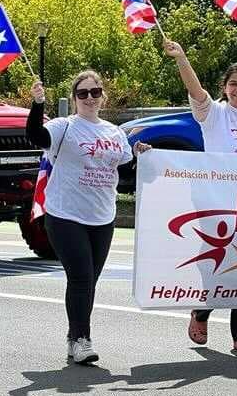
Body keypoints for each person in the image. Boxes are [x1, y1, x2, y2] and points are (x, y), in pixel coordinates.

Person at [163, 38, 237, 352]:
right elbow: (195, 92)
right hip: (220, 206)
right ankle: (202, 310)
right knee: (225, 267)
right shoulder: (215, 114)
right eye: (233, 84)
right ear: (225, 88)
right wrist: (181, 58)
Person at [25, 71, 148, 364]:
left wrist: (142, 152)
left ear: (102, 95)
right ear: (74, 99)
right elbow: (35, 136)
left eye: (95, 92)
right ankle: (82, 339)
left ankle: (73, 336)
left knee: (89, 281)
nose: (90, 98)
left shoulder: (114, 132)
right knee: (80, 277)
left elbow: (125, 167)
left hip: (102, 217)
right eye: (83, 93)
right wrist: (37, 105)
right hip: (65, 215)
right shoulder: (63, 127)